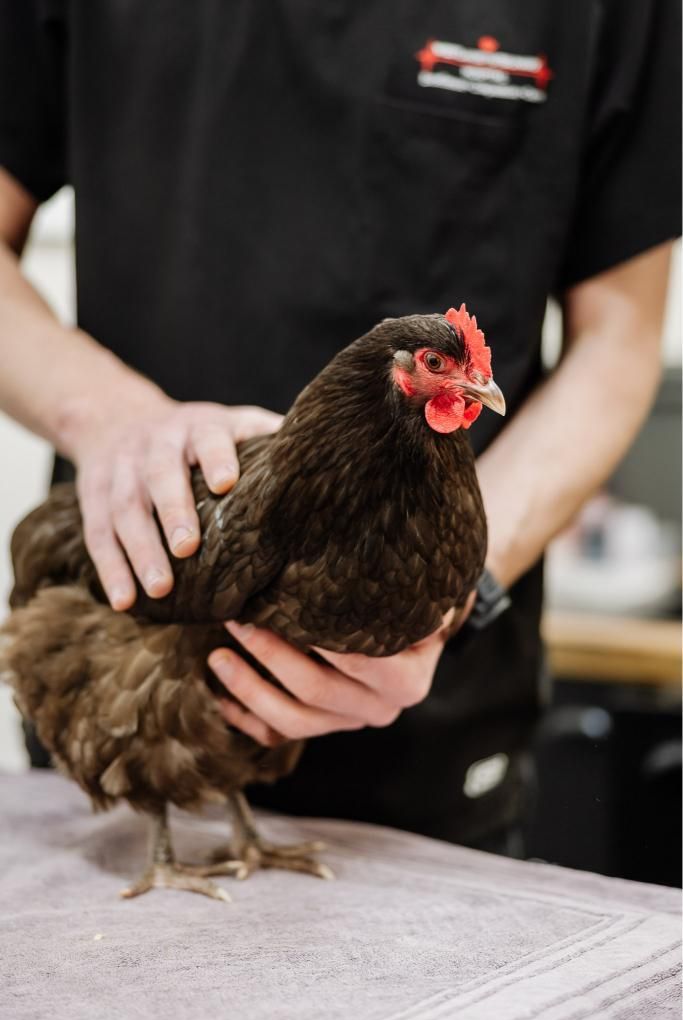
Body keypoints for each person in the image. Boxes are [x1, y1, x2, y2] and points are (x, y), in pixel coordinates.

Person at [0, 1, 679, 852]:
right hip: (139, 639)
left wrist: (453, 589)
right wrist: (107, 416)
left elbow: (617, 342)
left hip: (440, 727)